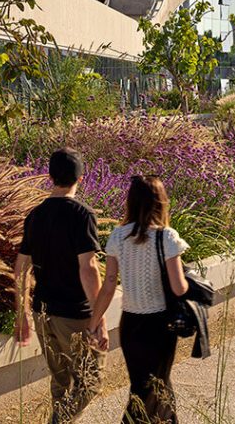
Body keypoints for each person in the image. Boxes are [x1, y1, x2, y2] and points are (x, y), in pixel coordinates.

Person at [87, 176, 189, 424]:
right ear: (161, 202)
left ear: (130, 203)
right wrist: (190, 280)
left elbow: (109, 284)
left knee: (141, 385)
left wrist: (94, 322)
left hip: (131, 324)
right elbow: (178, 288)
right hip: (161, 324)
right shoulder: (167, 237)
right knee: (159, 383)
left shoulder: (118, 236)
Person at [14, 148, 105, 424]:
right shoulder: (82, 214)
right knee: (90, 381)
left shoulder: (35, 215)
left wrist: (23, 315)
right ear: (80, 177)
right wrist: (98, 318)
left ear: (51, 176)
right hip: (74, 315)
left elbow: (20, 270)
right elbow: (88, 268)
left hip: (44, 314)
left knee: (61, 382)